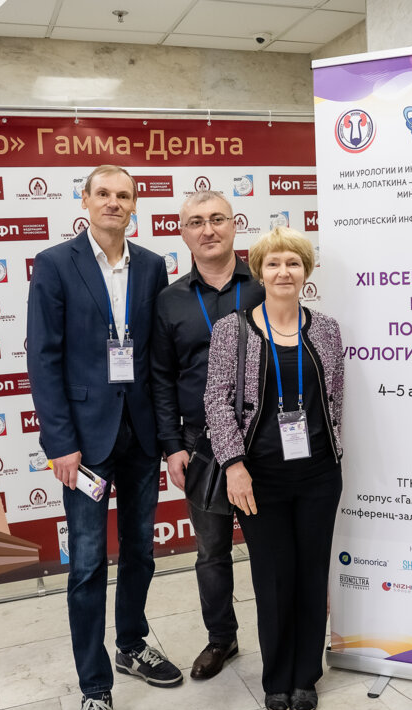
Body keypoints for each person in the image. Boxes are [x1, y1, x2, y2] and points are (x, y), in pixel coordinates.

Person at [27, 164, 181, 710]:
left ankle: (132, 644)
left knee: (141, 549)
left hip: (140, 436)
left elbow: (157, 357)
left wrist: (167, 436)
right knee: (88, 565)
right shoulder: (55, 264)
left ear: (134, 205)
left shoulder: (151, 266)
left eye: (124, 195)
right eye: (104, 194)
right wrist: (59, 443)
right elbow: (43, 358)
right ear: (85, 200)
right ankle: (95, 688)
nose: (114, 203)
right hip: (85, 445)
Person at [203, 226, 344, 710]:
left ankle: (306, 676)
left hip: (319, 474)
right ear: (259, 272)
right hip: (258, 477)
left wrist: (334, 453)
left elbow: (335, 398)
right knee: (273, 576)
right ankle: (277, 677)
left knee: (312, 573)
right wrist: (233, 465)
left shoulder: (326, 328)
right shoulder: (232, 329)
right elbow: (216, 402)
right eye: (274, 263)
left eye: (293, 263)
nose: (284, 272)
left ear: (306, 271)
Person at [153, 190, 263, 680]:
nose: (208, 229)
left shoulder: (264, 285)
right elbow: (161, 378)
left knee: (271, 550)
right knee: (211, 552)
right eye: (196, 222)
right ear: (184, 233)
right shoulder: (170, 300)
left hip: (264, 442)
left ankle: (279, 639)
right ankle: (222, 639)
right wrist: (172, 447)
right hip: (200, 445)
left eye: (217, 218)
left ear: (234, 225)